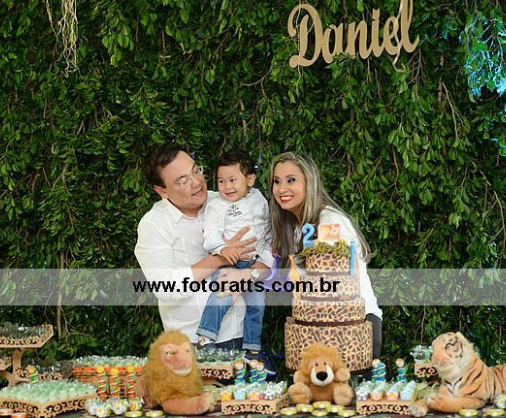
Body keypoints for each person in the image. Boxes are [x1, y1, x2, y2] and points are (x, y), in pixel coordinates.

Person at [135, 143, 263, 349]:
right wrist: (220, 257)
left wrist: (249, 273)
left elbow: (263, 253)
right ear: (162, 190)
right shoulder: (154, 225)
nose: (196, 182)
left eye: (196, 170)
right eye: (183, 181)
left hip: (239, 333)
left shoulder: (225, 201)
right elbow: (165, 287)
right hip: (191, 343)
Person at [269, 152, 382, 358]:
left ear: (309, 183)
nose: (282, 188)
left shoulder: (329, 222)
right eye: (277, 181)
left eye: (291, 180)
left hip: (351, 327)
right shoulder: (294, 228)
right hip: (316, 328)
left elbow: (338, 283)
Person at [197, 151, 273, 362]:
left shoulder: (258, 199)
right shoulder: (217, 205)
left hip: (252, 263)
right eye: (221, 181)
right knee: (223, 296)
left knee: (257, 304)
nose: (226, 187)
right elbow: (210, 235)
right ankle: (205, 337)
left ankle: (252, 347)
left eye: (232, 180)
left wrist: (264, 257)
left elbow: (266, 229)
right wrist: (223, 249)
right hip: (229, 262)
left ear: (250, 180)